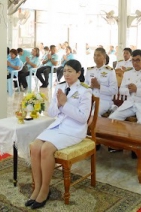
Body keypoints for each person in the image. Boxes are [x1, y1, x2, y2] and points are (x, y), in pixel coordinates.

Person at [28, 60, 92, 209]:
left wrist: (64, 104)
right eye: (64, 71)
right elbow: (51, 113)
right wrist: (58, 103)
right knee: (35, 147)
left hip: (74, 129)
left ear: (78, 73)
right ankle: (37, 188)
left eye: (70, 71)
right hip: (58, 126)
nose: (66, 74)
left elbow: (83, 117)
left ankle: (45, 189)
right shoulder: (60, 87)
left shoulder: (85, 90)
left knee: (46, 149)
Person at [109, 49, 141, 124]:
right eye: (133, 60)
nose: (135, 63)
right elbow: (121, 90)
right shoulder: (127, 73)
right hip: (129, 104)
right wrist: (129, 90)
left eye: (138, 60)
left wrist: (137, 90)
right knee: (112, 118)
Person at [86, 47, 118, 116]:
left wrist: (99, 86)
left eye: (98, 55)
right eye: (94, 55)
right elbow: (85, 87)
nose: (96, 57)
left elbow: (114, 90)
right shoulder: (89, 70)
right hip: (90, 99)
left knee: (93, 115)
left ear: (104, 57)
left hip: (104, 100)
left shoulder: (110, 71)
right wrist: (90, 86)